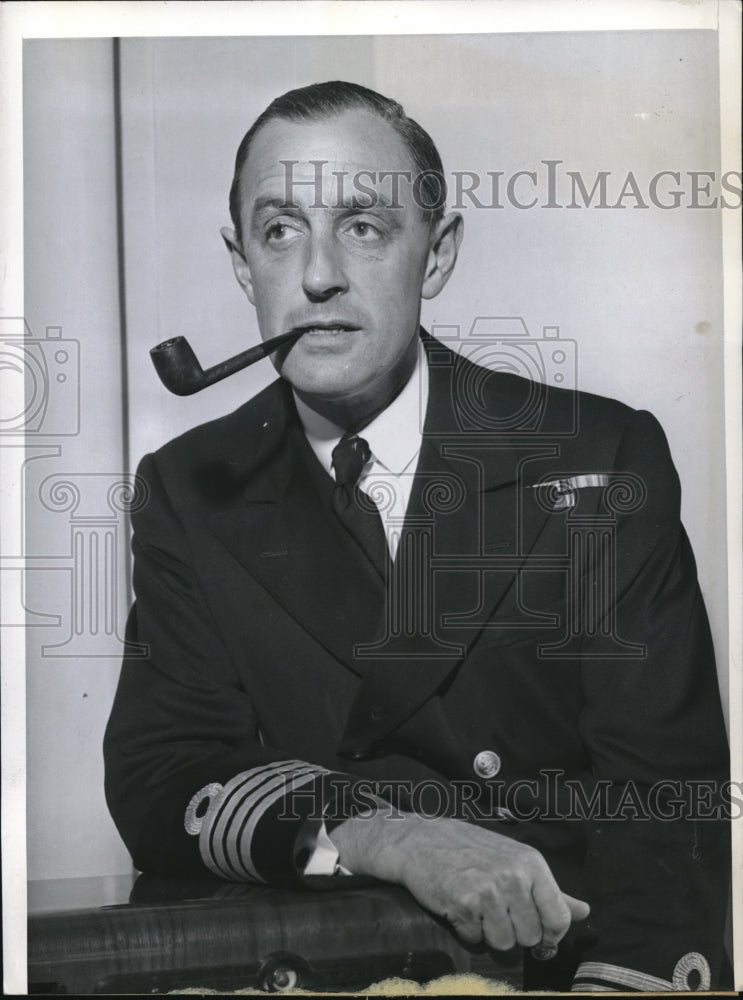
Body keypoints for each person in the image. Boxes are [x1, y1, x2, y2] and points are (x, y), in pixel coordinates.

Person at [104, 81, 731, 992]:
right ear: (242, 266)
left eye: (362, 226)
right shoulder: (188, 489)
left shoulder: (595, 457)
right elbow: (165, 774)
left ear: (435, 257)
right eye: (280, 231)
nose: (316, 274)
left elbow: (663, 800)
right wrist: (385, 831)